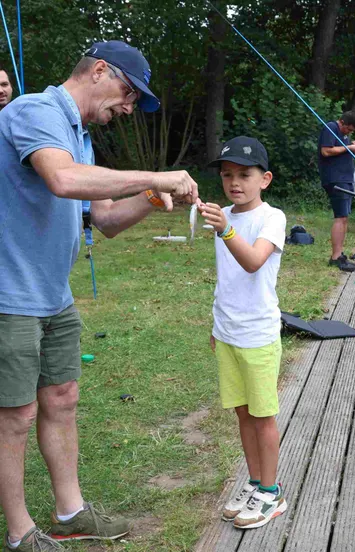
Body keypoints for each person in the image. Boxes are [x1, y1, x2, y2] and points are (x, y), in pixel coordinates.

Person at [0, 41, 199, 551]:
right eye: (128, 94)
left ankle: (70, 512)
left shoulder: (80, 136)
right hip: (10, 295)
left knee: (62, 399)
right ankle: (21, 533)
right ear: (99, 71)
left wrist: (154, 199)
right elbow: (63, 181)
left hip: (53, 294)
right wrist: (156, 174)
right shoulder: (34, 111)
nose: (128, 108)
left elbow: (105, 218)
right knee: (14, 415)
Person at [198, 136, 288, 530]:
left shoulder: (272, 218)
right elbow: (227, 279)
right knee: (242, 413)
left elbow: (252, 263)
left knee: (263, 415)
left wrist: (226, 231)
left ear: (264, 179)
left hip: (259, 335)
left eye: (245, 175)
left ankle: (271, 492)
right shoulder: (225, 216)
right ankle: (254, 483)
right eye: (228, 174)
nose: (235, 182)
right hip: (229, 332)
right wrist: (216, 324)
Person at [318, 110, 355, 272]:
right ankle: (335, 257)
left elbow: (343, 148)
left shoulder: (343, 134)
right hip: (336, 179)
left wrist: (352, 145)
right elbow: (326, 151)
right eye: (348, 129)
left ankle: (340, 253)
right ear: (341, 122)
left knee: (344, 217)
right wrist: (348, 147)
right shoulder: (330, 127)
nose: (349, 132)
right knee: (340, 216)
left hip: (345, 179)